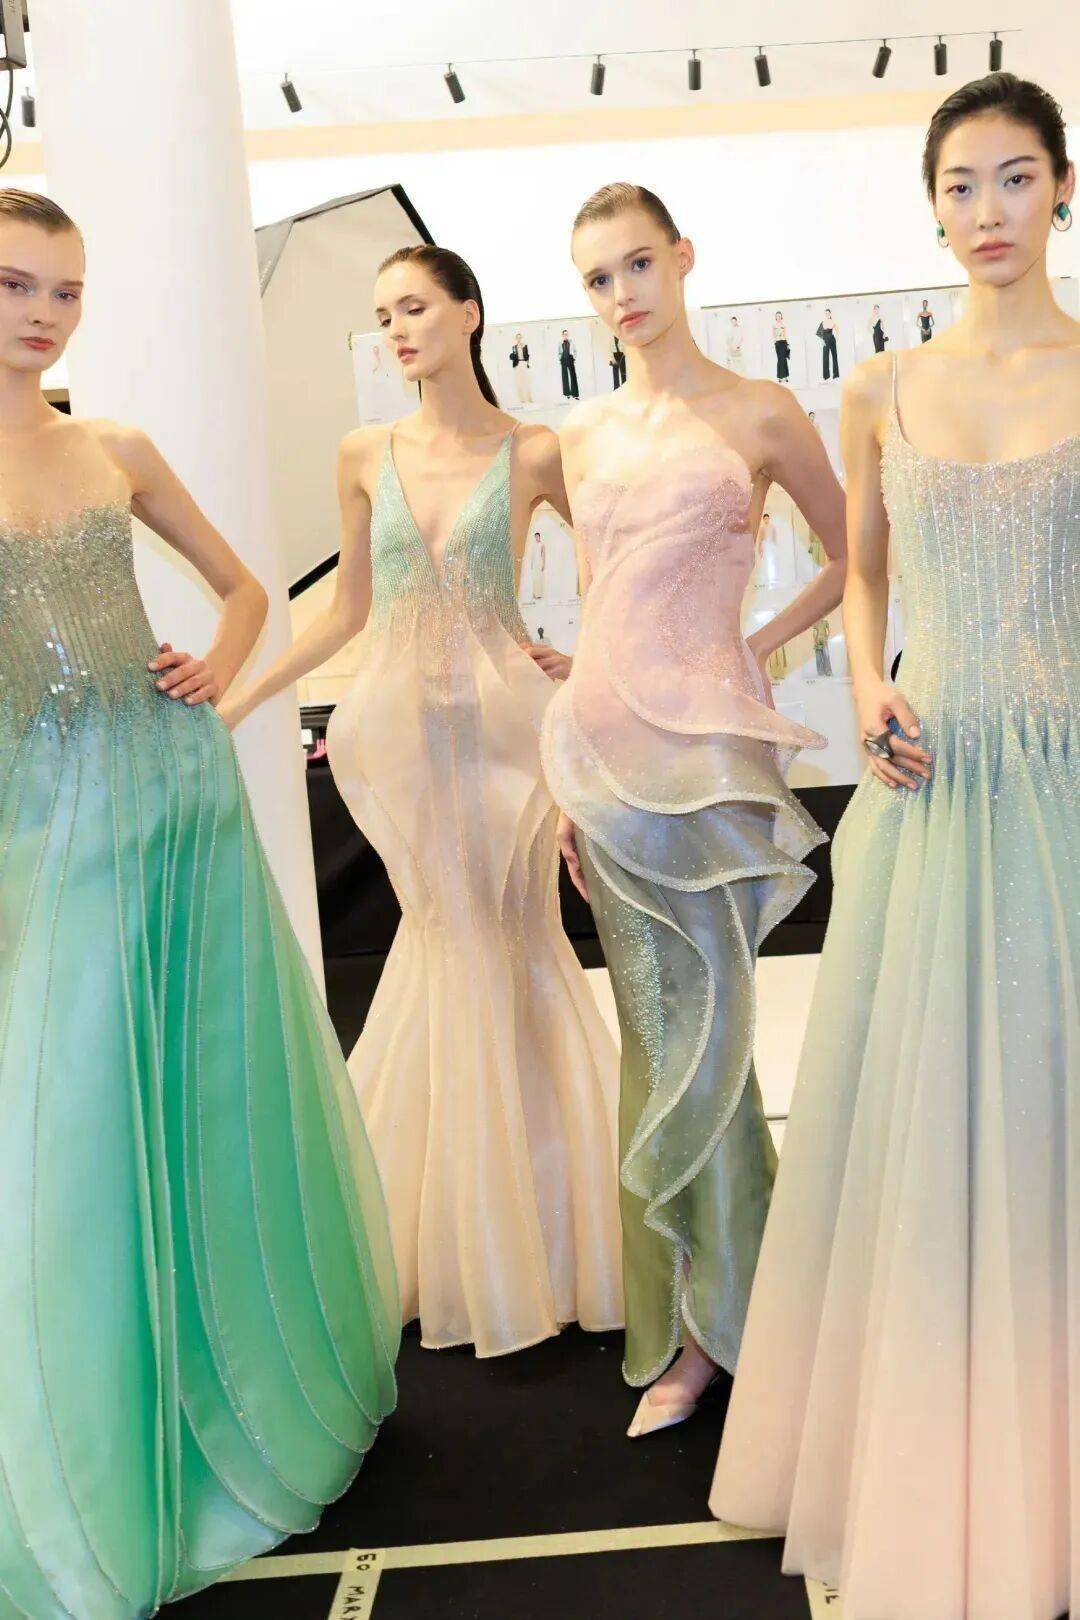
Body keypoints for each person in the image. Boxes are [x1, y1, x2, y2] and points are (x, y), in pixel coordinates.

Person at [0, 188, 399, 1620]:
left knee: (190, 1090)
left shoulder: (112, 447)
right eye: (16, 284)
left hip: (174, 802)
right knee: (71, 1124)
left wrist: (214, 675)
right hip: (43, 825)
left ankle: (215, 1392)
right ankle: (96, 1445)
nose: (44, 314)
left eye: (65, 289)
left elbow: (244, 591)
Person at [711, 73, 1079, 1620]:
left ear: (1064, 187)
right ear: (933, 208)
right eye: (960, 185)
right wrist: (866, 684)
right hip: (935, 785)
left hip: (1065, 785)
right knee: (931, 1119)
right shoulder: (880, 388)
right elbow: (861, 572)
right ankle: (941, 1437)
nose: (988, 210)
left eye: (1016, 177)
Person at [222, 244, 623, 1359]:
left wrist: (589, 664)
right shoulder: (365, 453)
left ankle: (539, 1234)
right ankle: (450, 1233)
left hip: (505, 736)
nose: (397, 330)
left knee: (515, 939)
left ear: (468, 314)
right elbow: (347, 611)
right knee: (447, 942)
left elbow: (614, 579)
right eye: (384, 314)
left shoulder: (535, 450)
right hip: (399, 739)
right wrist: (242, 699)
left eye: (414, 308)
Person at [543, 182, 847, 1437]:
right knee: (653, 1037)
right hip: (601, 757)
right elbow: (600, 604)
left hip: (709, 762)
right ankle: (688, 1319)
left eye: (637, 264)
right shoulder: (581, 434)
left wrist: (754, 650)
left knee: (713, 1035)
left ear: (682, 258)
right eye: (598, 278)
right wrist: (567, 787)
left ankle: (735, 1321)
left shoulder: (763, 411)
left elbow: (855, 554)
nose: (622, 295)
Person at [510, 331, 533, 403]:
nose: (519, 339)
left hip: (524, 363)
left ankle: (529, 398)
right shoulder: (514, 347)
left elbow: (527, 356)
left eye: (520, 338)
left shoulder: (525, 346)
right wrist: (511, 356)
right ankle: (522, 399)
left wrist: (527, 363)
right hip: (517, 365)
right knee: (519, 382)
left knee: (527, 381)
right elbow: (513, 357)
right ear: (516, 339)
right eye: (517, 338)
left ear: (521, 338)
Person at [818, 308, 840, 380]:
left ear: (830, 314)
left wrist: (836, 338)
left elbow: (837, 329)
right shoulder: (823, 322)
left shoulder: (833, 321)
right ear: (825, 314)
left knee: (834, 356)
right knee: (825, 358)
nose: (827, 314)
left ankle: (836, 374)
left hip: (832, 340)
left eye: (828, 313)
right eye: (826, 313)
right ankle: (826, 376)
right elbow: (819, 332)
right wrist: (822, 341)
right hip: (825, 341)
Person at [559, 328, 580, 399]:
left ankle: (575, 394)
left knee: (573, 376)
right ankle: (567, 393)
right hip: (563, 360)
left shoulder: (571, 342)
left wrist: (574, 358)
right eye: (564, 334)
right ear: (562, 335)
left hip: (570, 359)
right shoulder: (560, 343)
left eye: (567, 334)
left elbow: (575, 351)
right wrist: (560, 359)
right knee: (565, 376)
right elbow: (559, 352)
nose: (566, 335)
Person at [773, 311, 790, 380]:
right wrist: (775, 341)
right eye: (777, 316)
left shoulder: (783, 325)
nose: (778, 317)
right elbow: (774, 335)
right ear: (775, 317)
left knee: (784, 359)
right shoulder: (774, 325)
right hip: (777, 343)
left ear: (781, 317)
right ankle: (780, 377)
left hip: (783, 342)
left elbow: (785, 335)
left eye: (779, 316)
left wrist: (787, 344)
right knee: (779, 359)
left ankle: (786, 376)